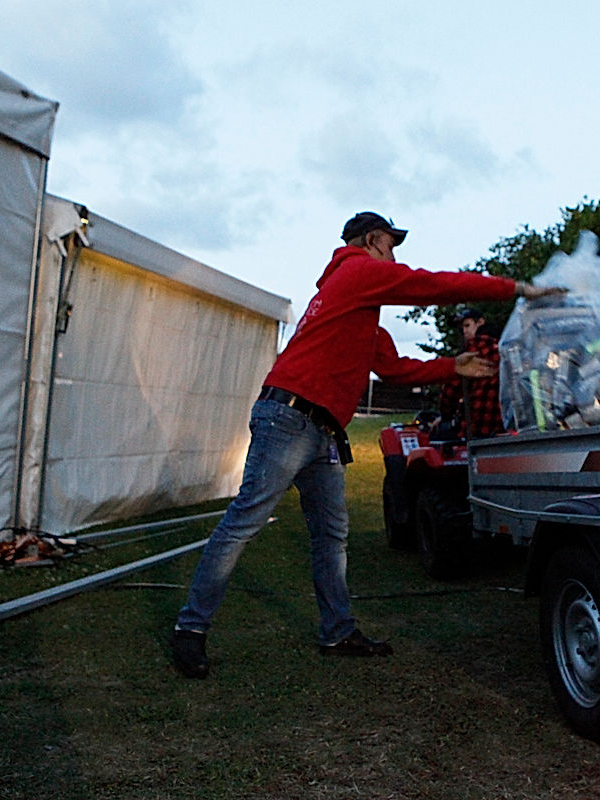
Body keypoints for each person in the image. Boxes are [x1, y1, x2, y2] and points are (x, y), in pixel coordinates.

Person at [170, 211, 562, 678]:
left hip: (321, 430)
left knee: (332, 536)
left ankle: (337, 631)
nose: (394, 257)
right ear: (374, 241)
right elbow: (432, 284)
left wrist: (449, 366)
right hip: (290, 419)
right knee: (244, 523)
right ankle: (190, 630)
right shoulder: (356, 271)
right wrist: (515, 288)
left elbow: (394, 369)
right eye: (391, 246)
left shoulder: (357, 305)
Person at [437, 309, 505, 440]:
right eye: (462, 327)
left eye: (467, 325)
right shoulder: (505, 347)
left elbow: (451, 391)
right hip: (505, 424)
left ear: (480, 322)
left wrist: (445, 416)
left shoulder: (473, 350)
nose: (464, 331)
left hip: (479, 425)